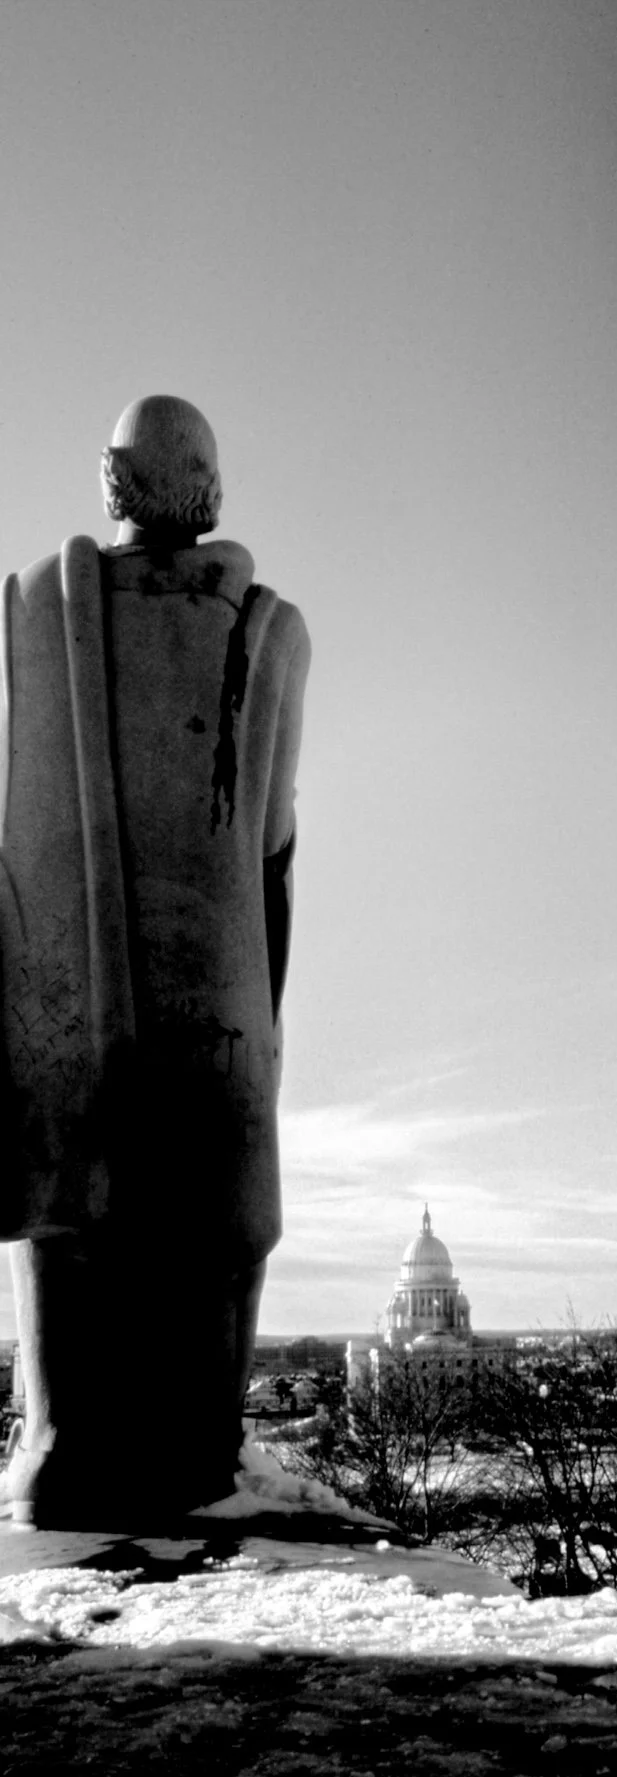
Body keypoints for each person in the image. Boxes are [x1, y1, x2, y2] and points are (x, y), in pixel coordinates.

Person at [0, 396, 309, 1527]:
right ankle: (198, 1443)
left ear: (109, 481)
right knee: (219, 1217)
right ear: (210, 494)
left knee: (62, 1201)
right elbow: (273, 840)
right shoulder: (271, 631)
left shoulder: (32, 611)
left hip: (56, 997)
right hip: (217, 1001)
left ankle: (57, 1442)